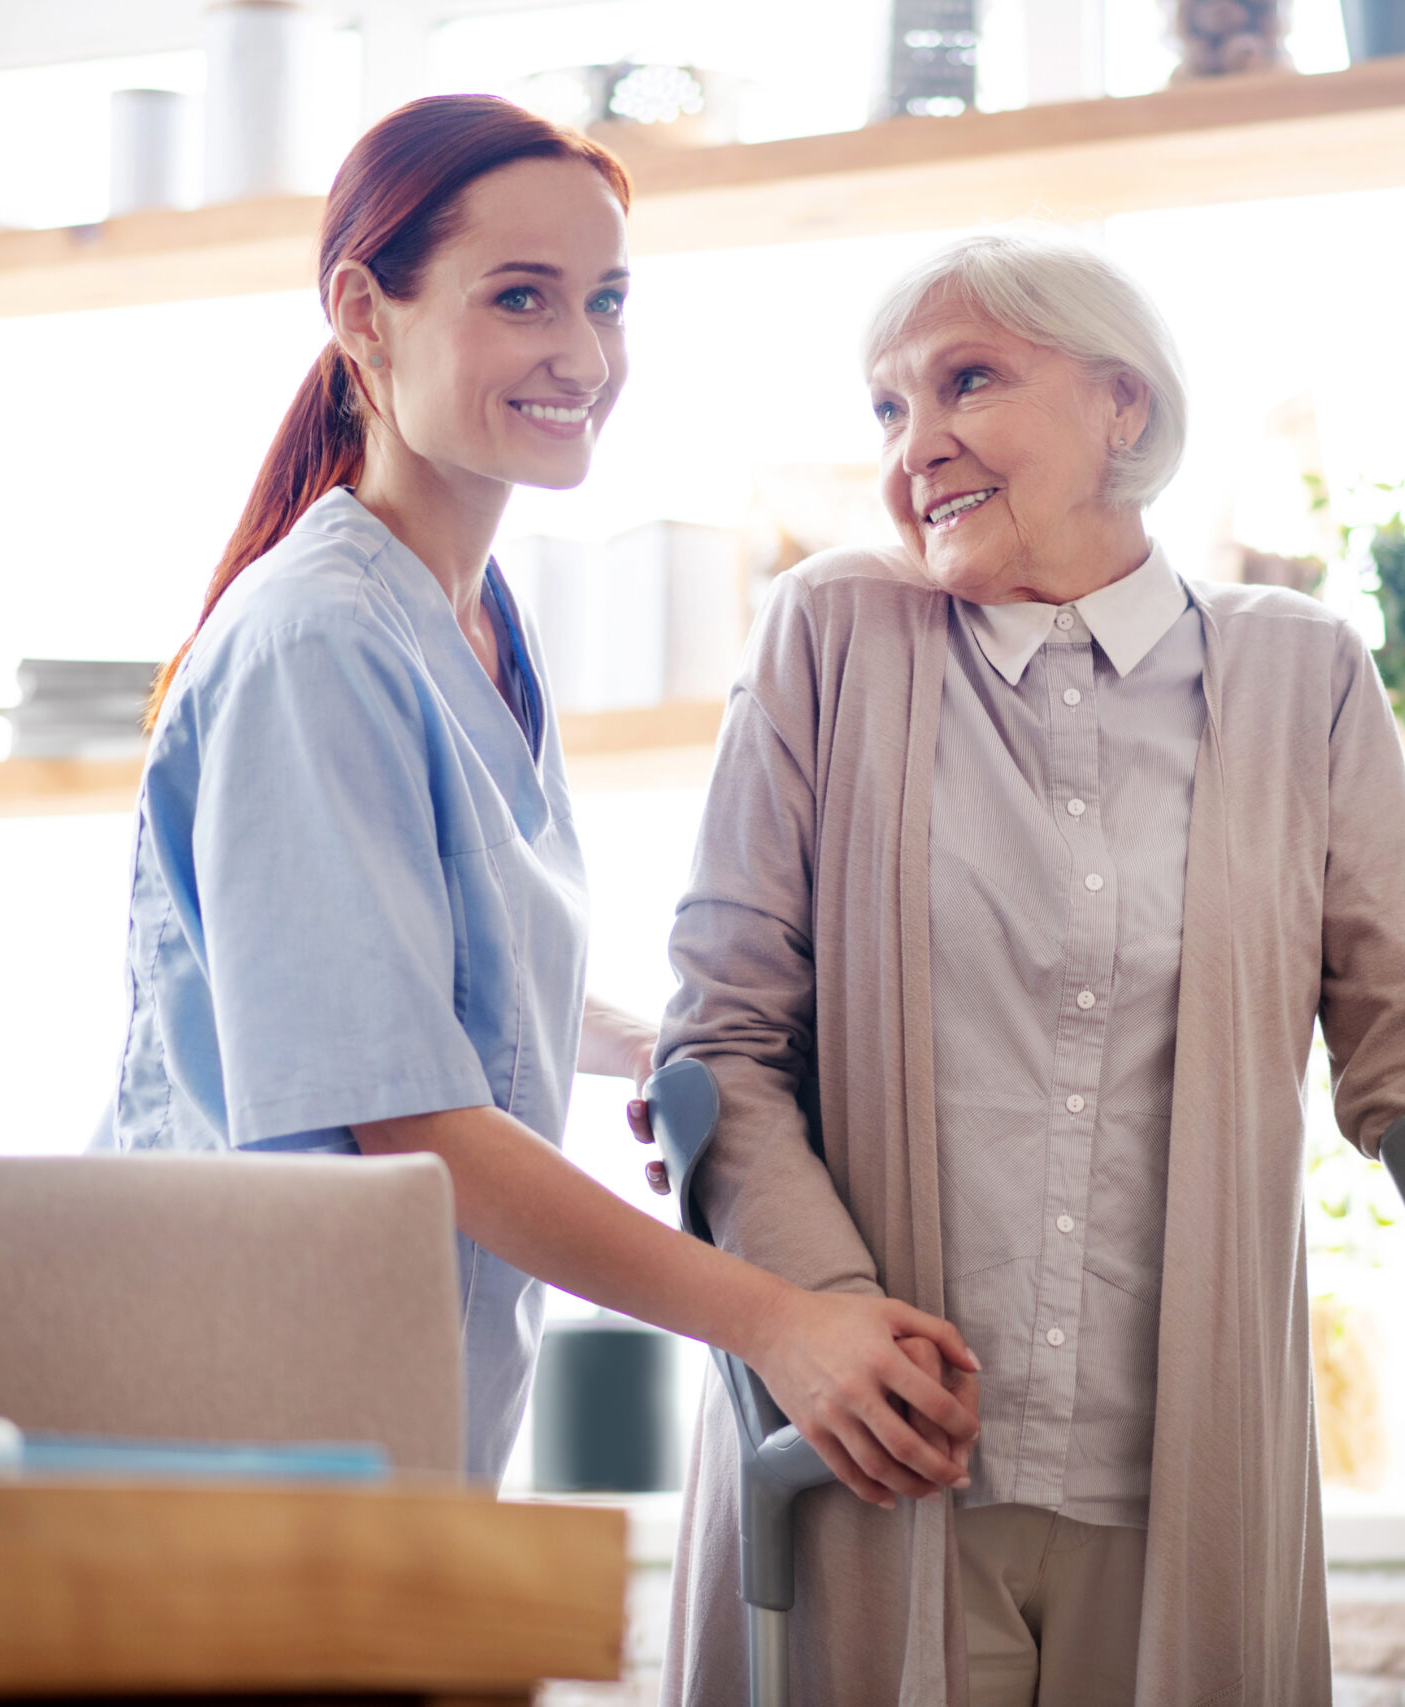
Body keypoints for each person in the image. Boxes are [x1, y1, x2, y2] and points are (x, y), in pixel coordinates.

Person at [649, 229, 1405, 1706]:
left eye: (968, 381)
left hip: (1176, 1493)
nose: (918, 447)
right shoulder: (833, 637)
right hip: (868, 1474)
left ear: (1124, 409)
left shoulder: (1303, 677)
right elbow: (720, 1047)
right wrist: (827, 1323)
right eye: (888, 410)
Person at [100, 95, 979, 1498]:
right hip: (237, 1424)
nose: (583, 354)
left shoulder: (475, 617)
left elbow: (431, 978)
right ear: (362, 311)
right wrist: (780, 1327)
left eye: (608, 302)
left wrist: (665, 1046)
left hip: (391, 1417)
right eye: (521, 299)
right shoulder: (320, 640)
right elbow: (405, 1110)